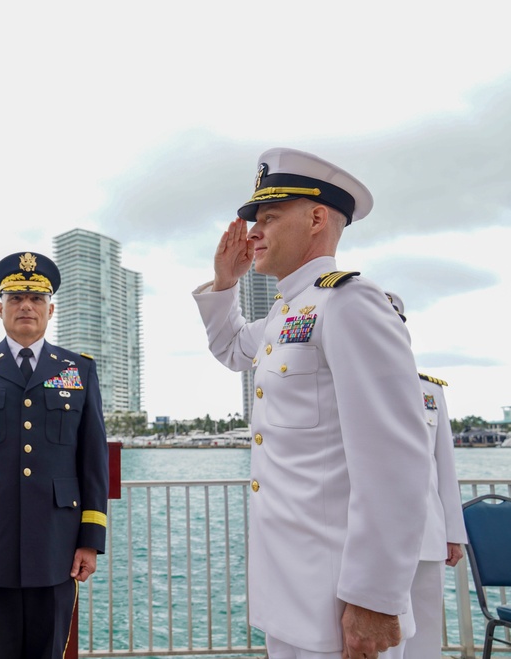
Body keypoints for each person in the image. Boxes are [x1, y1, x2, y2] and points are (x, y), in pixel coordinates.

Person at [192, 148, 430, 659]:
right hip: (293, 596)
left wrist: (375, 599)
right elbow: (232, 349)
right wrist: (225, 283)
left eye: (270, 217)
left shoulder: (349, 303)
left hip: (344, 606)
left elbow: (395, 460)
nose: (254, 231)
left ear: (317, 218)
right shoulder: (287, 312)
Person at [0, 251, 109, 659]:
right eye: (16, 298)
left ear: (51, 309)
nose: (26, 306)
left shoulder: (78, 369)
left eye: (36, 299)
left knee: (49, 651)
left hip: (58, 543)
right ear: (1, 309)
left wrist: (91, 541)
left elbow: (93, 462)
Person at [385, 291, 468, 659]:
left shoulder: (430, 391)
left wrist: (453, 533)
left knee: (424, 643)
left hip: (427, 535)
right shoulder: (343, 382)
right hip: (371, 534)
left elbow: (444, 465)